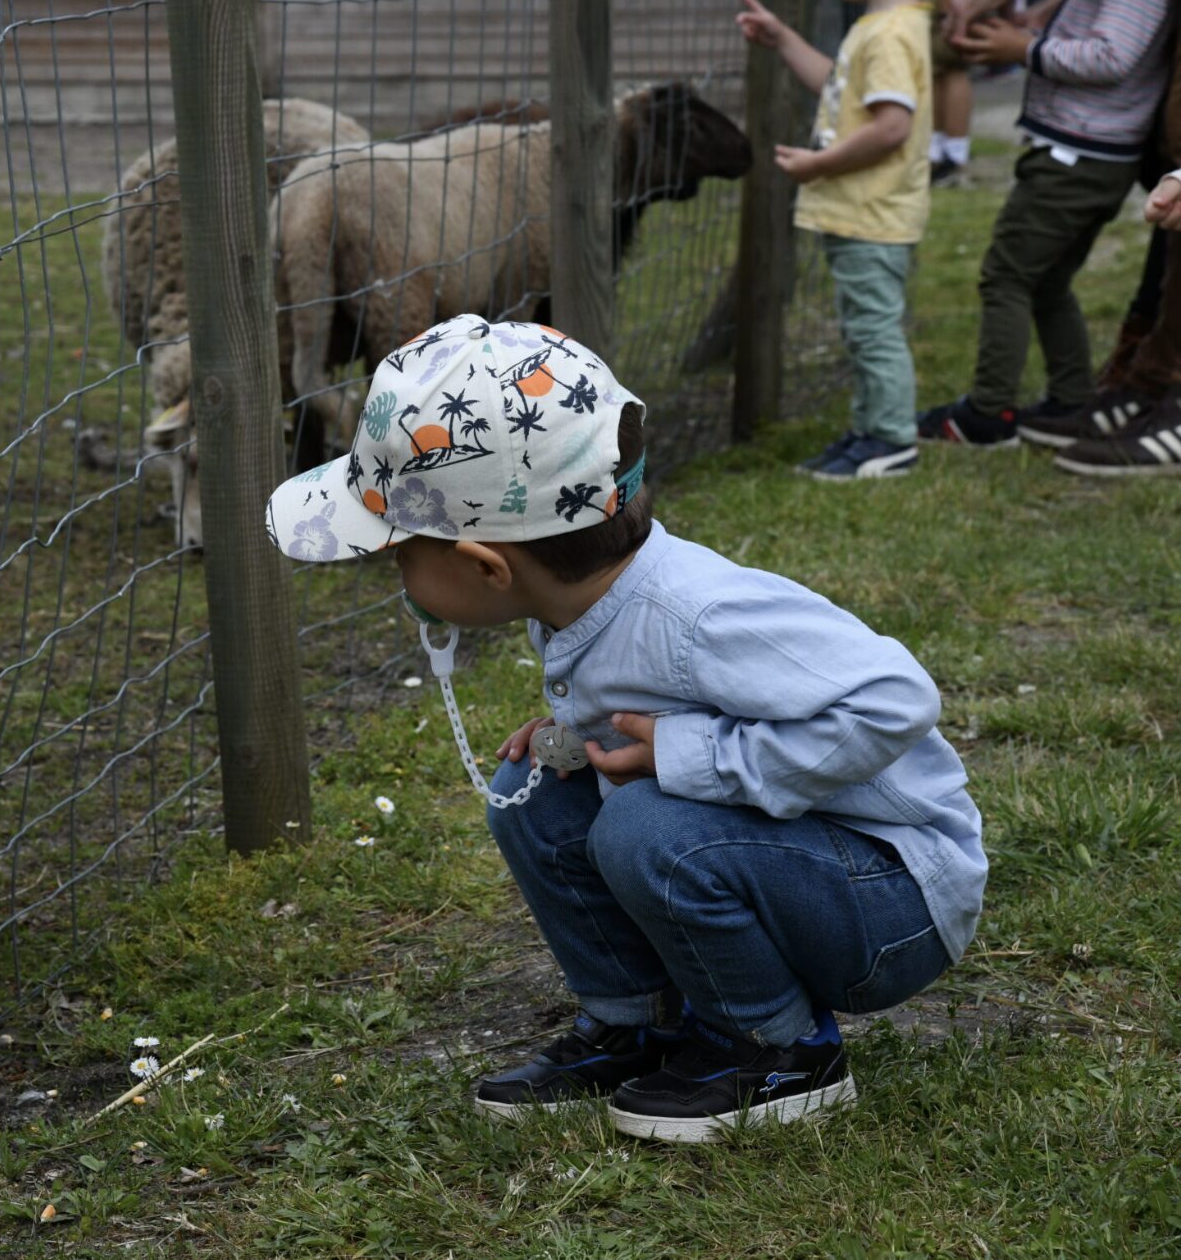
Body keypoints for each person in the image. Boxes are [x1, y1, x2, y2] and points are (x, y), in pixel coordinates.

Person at [264, 316, 985, 1143]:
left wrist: (690, 755)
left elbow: (896, 700)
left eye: (399, 552)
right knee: (533, 791)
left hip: (894, 901)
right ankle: (640, 1022)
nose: (395, 572)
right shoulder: (583, 598)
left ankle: (778, 1051)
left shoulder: (696, 613)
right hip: (806, 863)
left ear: (485, 567)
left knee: (647, 830)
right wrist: (583, 733)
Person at [915, 0, 1181, 446]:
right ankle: (1070, 396)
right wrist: (1036, 24)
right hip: (1084, 152)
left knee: (1007, 274)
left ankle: (988, 413)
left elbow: (1114, 55)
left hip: (1077, 156)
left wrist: (1024, 48)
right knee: (1048, 278)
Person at [737, 0, 951, 479]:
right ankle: (871, 429)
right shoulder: (887, 26)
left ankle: (889, 439)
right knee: (865, 326)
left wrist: (818, 165)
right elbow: (841, 85)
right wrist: (783, 39)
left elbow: (890, 128)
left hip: (870, 212)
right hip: (866, 212)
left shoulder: (886, 34)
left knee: (873, 329)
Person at [928, 0, 1002, 183]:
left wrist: (950, 6)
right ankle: (935, 150)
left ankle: (954, 153)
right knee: (935, 69)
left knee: (952, 65)